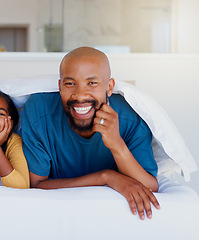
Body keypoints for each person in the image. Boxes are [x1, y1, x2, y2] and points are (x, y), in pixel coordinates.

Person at [21, 47, 160, 220]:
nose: (79, 96)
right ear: (60, 86)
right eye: (70, 83)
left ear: (109, 87)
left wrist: (116, 144)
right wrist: (106, 177)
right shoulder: (38, 111)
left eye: (92, 83)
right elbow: (38, 185)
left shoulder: (131, 117)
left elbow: (150, 186)